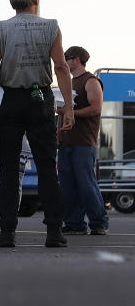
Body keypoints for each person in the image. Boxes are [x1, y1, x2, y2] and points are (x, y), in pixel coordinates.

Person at [0, 0, 74, 248]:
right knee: (47, 167)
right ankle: (54, 231)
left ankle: (7, 232)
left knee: (9, 170)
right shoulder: (50, 26)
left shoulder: (0, 29)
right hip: (40, 98)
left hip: (11, 99)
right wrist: (68, 106)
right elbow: (61, 67)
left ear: (13, 2)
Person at [58, 45, 108, 235]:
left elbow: (96, 108)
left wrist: (71, 112)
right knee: (68, 185)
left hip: (83, 142)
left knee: (86, 183)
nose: (64, 61)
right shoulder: (69, 83)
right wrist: (59, 134)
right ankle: (74, 223)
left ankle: (99, 222)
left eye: (67, 58)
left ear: (76, 59)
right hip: (66, 142)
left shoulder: (90, 81)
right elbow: (63, 110)